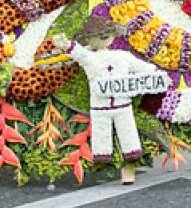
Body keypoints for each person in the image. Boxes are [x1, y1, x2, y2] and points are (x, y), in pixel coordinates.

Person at [50, 15, 168, 182]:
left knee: (126, 134)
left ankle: (125, 165)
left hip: (120, 106)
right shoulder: (92, 57)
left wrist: (158, 76)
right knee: (104, 134)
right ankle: (106, 160)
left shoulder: (121, 56)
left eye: (106, 34)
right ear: (89, 40)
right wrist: (67, 45)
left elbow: (142, 68)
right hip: (102, 107)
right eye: (98, 35)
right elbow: (79, 53)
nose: (103, 37)